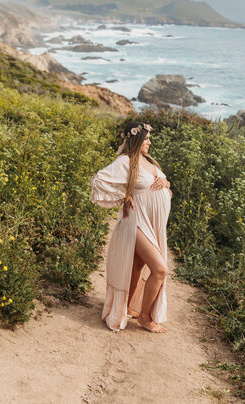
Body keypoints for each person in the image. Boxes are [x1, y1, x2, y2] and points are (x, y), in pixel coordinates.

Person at [90, 121, 171, 333]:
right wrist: (123, 197)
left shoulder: (149, 161)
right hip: (136, 221)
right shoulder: (126, 161)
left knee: (137, 266)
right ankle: (145, 317)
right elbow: (98, 180)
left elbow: (160, 186)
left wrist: (166, 184)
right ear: (135, 139)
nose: (149, 142)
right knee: (160, 269)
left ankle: (125, 307)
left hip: (153, 225)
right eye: (146, 139)